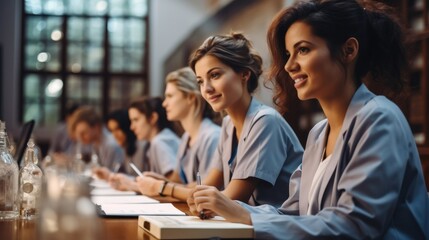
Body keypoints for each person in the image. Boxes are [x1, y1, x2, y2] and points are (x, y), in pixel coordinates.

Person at [187, 0, 429, 239]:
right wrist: (234, 210)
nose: (290, 65)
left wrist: (242, 214)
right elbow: (294, 212)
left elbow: (356, 225)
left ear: (349, 51)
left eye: (303, 49)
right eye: (288, 54)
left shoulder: (378, 118)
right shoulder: (318, 133)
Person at [182, 32, 303, 208]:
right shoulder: (227, 125)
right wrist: (196, 197)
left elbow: (233, 197)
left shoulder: (265, 121)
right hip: (249, 224)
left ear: (244, 75)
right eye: (200, 81)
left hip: (281, 229)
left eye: (215, 75)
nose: (206, 89)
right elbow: (207, 186)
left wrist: (166, 188)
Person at [135, 67, 221, 200]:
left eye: (170, 96)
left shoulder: (212, 137)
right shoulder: (186, 137)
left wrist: (161, 185)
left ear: (191, 97)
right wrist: (161, 181)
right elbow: (182, 184)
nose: (164, 104)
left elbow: (203, 190)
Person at [109, 97, 180, 191]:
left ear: (153, 118)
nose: (132, 127)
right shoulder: (160, 139)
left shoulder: (159, 142)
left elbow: (174, 185)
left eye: (136, 120)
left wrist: (132, 185)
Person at [92, 109, 147, 180]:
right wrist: (109, 175)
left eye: (117, 129)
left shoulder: (141, 146)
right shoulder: (125, 147)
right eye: (112, 131)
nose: (114, 135)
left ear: (127, 127)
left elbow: (141, 178)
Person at [68, 106, 125, 170]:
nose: (81, 138)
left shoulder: (110, 144)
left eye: (84, 133)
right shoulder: (96, 143)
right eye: (79, 135)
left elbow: (110, 173)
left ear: (96, 127)